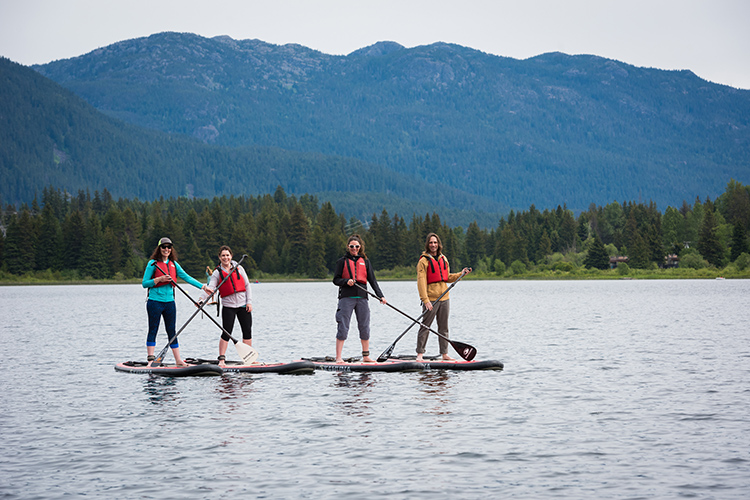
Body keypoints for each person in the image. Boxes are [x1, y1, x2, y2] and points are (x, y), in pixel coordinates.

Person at [142, 237, 208, 365]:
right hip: (154, 302)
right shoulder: (152, 264)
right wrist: (158, 280)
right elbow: (145, 283)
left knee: (172, 330)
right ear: (159, 248)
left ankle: (178, 360)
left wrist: (203, 287)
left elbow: (186, 277)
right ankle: (150, 359)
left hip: (170, 302)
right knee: (153, 329)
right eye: (164, 247)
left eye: (169, 247)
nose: (166, 249)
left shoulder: (174, 264)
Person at [416, 232, 471, 361]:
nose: (433, 245)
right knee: (425, 326)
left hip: (444, 298)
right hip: (431, 299)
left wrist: (461, 274)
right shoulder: (423, 261)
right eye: (431, 243)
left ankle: (444, 353)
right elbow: (421, 282)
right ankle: (420, 354)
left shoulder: (443, 259)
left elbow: (447, 277)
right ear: (427, 245)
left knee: (444, 327)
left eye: (435, 242)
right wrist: (425, 300)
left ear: (438, 244)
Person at [332, 234, 386, 363]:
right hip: (346, 298)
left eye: (356, 246)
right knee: (343, 326)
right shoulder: (342, 261)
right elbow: (336, 280)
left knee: (364, 326)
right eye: (352, 246)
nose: (354, 248)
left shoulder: (365, 262)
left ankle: (366, 356)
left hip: (362, 298)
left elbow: (373, 281)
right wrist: (346, 281)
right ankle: (338, 357)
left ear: (360, 247)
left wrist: (381, 296)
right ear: (348, 247)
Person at [199, 245, 253, 366]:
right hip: (228, 307)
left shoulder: (239, 268)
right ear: (219, 257)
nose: (225, 257)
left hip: (243, 305)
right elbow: (211, 288)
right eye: (223, 255)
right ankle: (221, 359)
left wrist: (249, 302)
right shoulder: (217, 273)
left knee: (247, 331)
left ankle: (248, 359)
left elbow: (247, 285)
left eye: (227, 255)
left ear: (231, 256)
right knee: (226, 332)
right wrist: (201, 299)